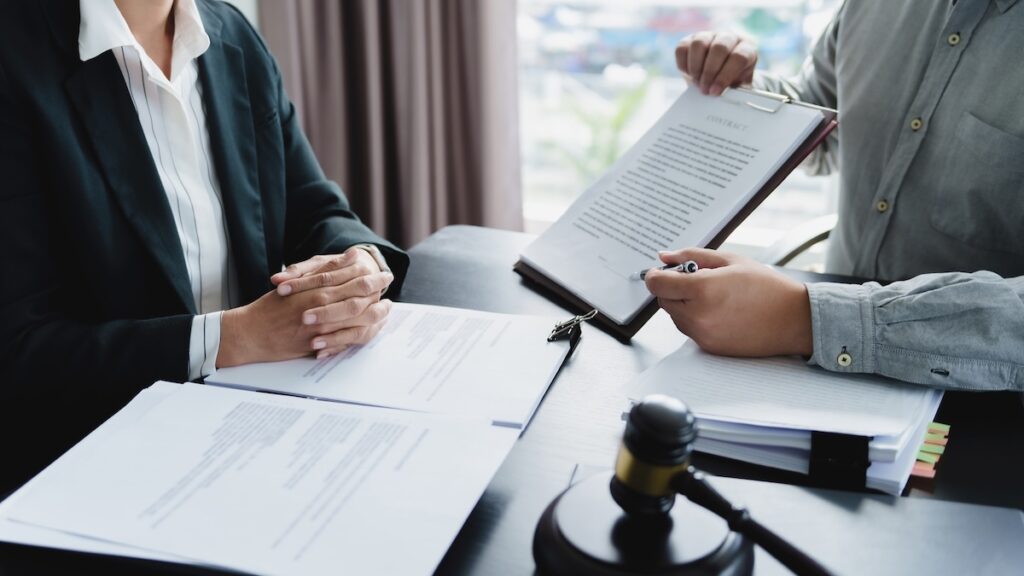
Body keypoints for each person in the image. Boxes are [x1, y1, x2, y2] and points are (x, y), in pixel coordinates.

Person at [0, 0, 409, 493]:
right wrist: (235, 338)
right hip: (100, 457)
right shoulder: (16, 57)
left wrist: (358, 266)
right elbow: (20, 350)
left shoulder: (229, 32)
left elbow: (315, 208)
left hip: (261, 425)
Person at [644, 0, 1023, 393]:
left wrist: (803, 318)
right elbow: (823, 126)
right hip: (817, 361)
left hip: (975, 397)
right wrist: (741, 90)